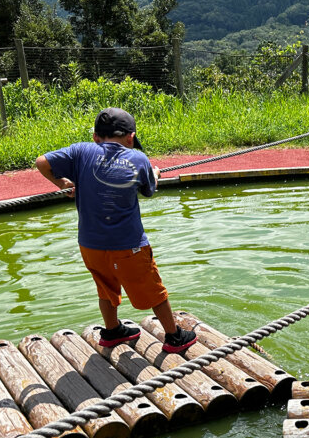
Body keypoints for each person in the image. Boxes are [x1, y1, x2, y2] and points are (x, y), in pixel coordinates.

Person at [34, 107, 196, 353]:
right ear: (130, 138)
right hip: (128, 244)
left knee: (105, 286)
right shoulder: (139, 159)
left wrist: (60, 182)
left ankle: (112, 331)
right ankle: (174, 336)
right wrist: (154, 174)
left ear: (96, 137)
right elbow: (148, 190)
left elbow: (42, 161)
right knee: (154, 289)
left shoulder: (80, 151)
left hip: (90, 244)